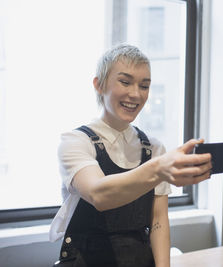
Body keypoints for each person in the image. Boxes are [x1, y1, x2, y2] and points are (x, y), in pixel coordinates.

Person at [49, 44, 212, 267]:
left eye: (144, 86)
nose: (135, 94)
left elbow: (158, 221)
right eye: (125, 82)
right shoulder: (75, 141)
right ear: (99, 84)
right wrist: (158, 168)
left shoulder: (153, 148)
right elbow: (99, 194)